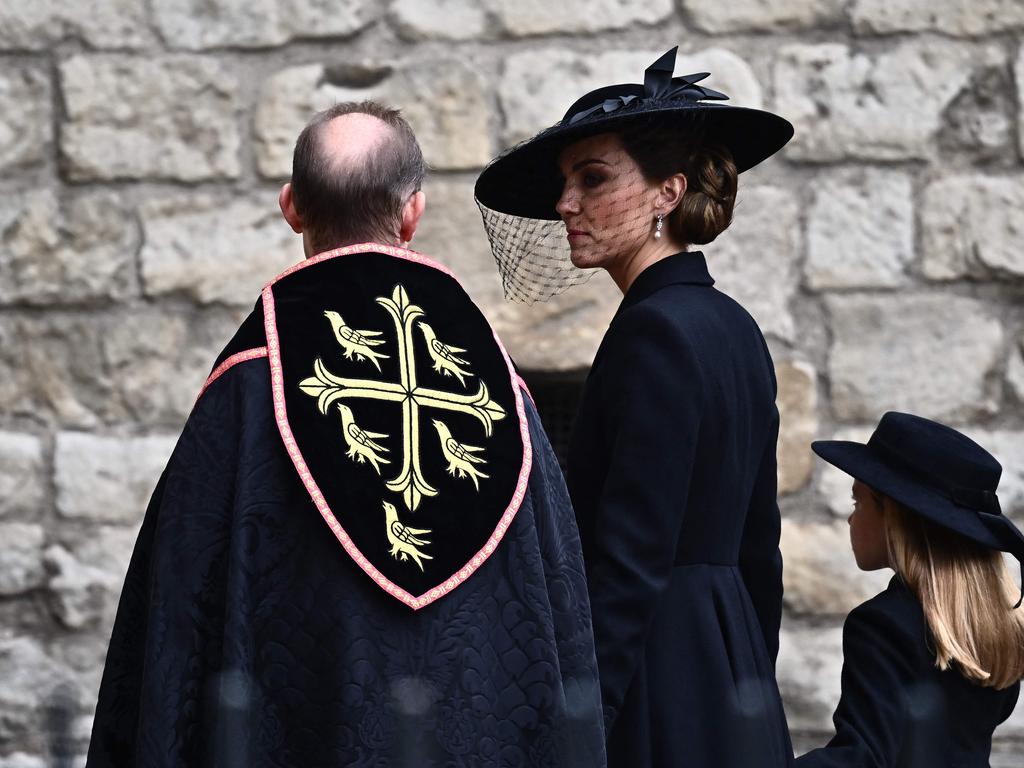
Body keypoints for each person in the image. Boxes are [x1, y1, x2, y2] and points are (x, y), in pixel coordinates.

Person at [86, 101, 605, 767]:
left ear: (291, 207)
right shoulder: (499, 387)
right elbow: (555, 602)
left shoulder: (251, 385)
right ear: (413, 211)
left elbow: (176, 618)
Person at [474, 48, 794, 767]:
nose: (566, 205)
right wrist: (749, 676)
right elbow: (759, 548)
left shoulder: (655, 330)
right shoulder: (732, 324)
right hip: (729, 664)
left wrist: (588, 714)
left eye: (593, 179)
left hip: (658, 669)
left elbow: (631, 557)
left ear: (666, 192)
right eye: (565, 184)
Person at [797, 412, 1023, 767]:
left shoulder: (880, 625)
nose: (850, 518)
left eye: (858, 502)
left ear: (894, 517)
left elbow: (864, 758)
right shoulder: (995, 630)